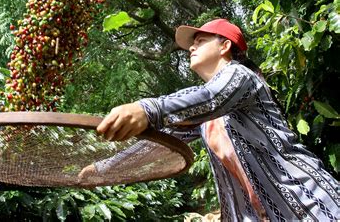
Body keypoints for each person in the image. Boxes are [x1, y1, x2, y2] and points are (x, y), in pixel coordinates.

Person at [81, 18, 340, 221]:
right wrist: (106, 168)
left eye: (201, 40)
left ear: (225, 45)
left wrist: (148, 109)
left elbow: (212, 96)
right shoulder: (204, 117)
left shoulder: (241, 77)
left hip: (309, 204)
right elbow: (159, 145)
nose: (191, 47)